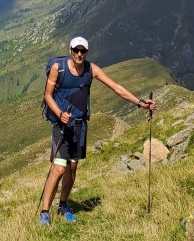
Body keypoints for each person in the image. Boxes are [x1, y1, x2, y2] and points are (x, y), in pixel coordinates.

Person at [38, 36, 155, 225]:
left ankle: (63, 205)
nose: (79, 54)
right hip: (61, 125)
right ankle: (44, 212)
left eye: (82, 51)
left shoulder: (91, 70)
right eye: (76, 50)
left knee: (72, 168)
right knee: (59, 168)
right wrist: (60, 114)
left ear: (87, 52)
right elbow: (48, 96)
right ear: (70, 50)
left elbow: (116, 88)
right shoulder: (57, 69)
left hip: (79, 125)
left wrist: (140, 103)